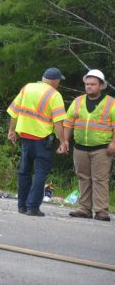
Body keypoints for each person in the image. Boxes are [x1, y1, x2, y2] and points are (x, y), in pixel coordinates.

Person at [8, 68, 68, 217]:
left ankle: (22, 206)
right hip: (42, 140)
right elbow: (58, 123)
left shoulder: (27, 87)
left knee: (24, 172)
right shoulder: (55, 95)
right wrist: (63, 142)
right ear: (56, 81)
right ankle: (33, 207)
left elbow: (14, 111)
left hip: (25, 138)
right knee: (40, 173)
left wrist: (11, 131)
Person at [60, 69, 115, 221]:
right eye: (87, 84)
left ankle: (101, 211)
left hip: (102, 148)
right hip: (80, 147)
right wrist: (64, 141)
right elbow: (68, 123)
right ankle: (84, 209)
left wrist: (113, 143)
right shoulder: (78, 101)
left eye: (92, 84)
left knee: (100, 179)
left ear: (101, 85)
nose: (89, 87)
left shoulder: (111, 103)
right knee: (83, 178)